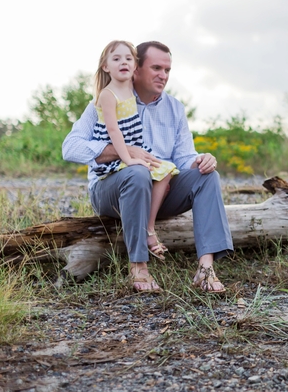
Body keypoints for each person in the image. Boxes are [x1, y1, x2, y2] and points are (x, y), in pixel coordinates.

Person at [63, 41, 233, 293]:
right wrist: (120, 152)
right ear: (136, 68)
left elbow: (184, 157)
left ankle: (205, 269)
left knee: (206, 176)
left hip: (159, 192)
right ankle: (139, 267)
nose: (163, 75)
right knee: (137, 172)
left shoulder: (174, 108)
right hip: (112, 192)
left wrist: (201, 160)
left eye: (167, 70)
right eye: (156, 68)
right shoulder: (106, 100)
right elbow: (70, 148)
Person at [91, 40, 178, 262]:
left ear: (135, 66)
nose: (124, 63)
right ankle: (138, 259)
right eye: (116, 59)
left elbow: (145, 80)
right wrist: (128, 158)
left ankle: (150, 227)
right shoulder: (107, 95)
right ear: (105, 66)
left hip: (135, 148)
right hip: (118, 154)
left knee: (166, 169)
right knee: (140, 172)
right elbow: (113, 131)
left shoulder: (130, 87)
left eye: (128, 59)